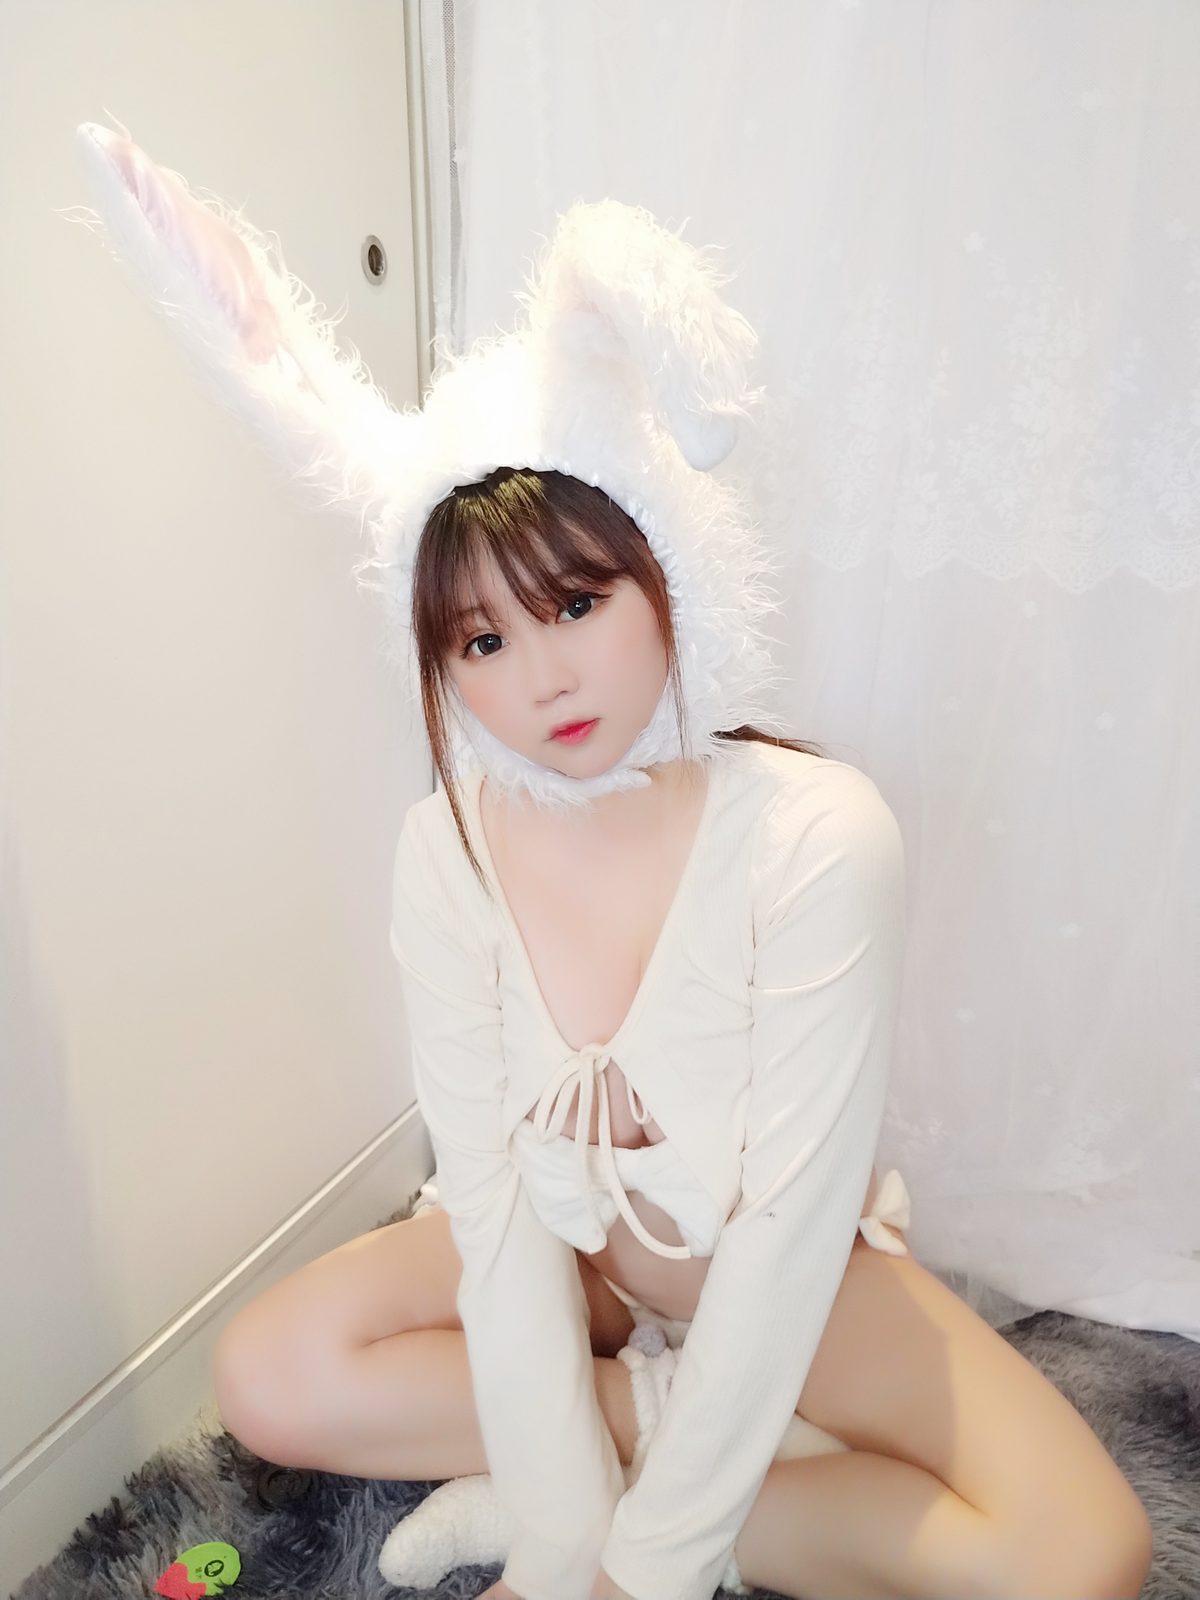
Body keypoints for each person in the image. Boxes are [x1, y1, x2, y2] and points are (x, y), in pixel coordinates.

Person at [75, 123, 1154, 1600]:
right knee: (267, 1372)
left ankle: (687, 1458)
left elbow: (785, 1231)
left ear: (667, 572)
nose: (542, 677)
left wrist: (645, 1564)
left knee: (1086, 1552)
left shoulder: (818, 835)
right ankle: (644, 1433)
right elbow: (495, 1204)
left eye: (578, 602)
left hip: (768, 1265)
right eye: (481, 639)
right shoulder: (447, 848)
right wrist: (559, 1520)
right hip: (556, 1250)